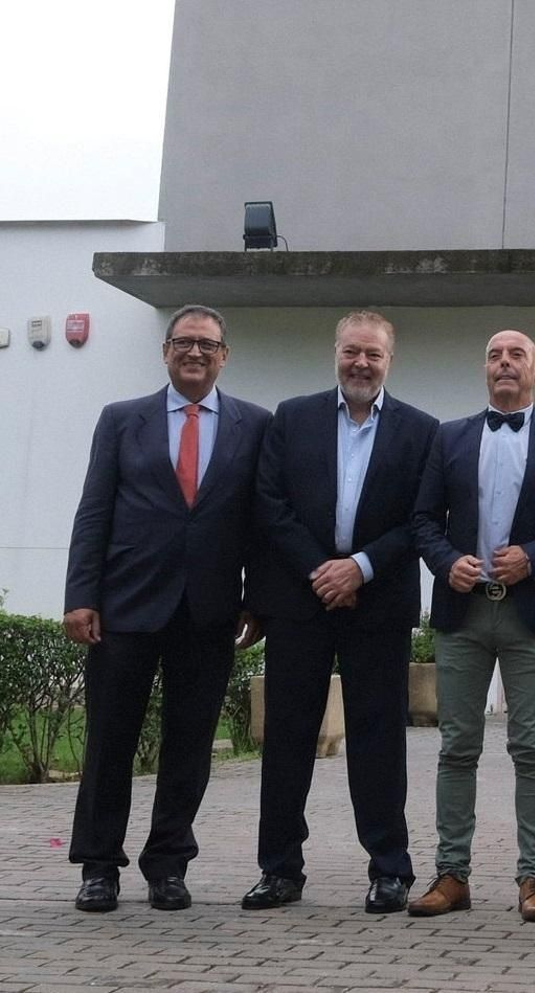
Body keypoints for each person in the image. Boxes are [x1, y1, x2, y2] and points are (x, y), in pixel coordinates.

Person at [62, 304, 270, 912]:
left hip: (208, 612)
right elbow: (93, 509)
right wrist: (81, 596)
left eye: (208, 344)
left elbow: (260, 524)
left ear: (224, 355)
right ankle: (98, 867)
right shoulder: (122, 419)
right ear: (166, 352)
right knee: (109, 741)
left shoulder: (253, 425)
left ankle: (168, 865)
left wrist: (255, 599)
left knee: (189, 743)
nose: (195, 352)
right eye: (184, 342)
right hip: (124, 606)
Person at [242, 310, 438, 914]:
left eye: (373, 355)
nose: (361, 363)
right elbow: (269, 505)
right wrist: (323, 570)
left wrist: (360, 567)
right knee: (288, 738)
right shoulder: (292, 417)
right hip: (300, 602)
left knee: (379, 740)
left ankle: (389, 870)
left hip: (377, 604)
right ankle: (279, 870)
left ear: (389, 361)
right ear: (336, 352)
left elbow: (422, 519)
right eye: (352, 351)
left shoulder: (421, 430)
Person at [408, 329, 535, 921]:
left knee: (531, 748)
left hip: (531, 611)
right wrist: (447, 563)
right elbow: (422, 520)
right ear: (485, 370)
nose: (504, 363)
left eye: (516, 355)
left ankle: (534, 880)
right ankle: (451, 875)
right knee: (456, 747)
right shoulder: (450, 437)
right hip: (464, 613)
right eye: (494, 355)